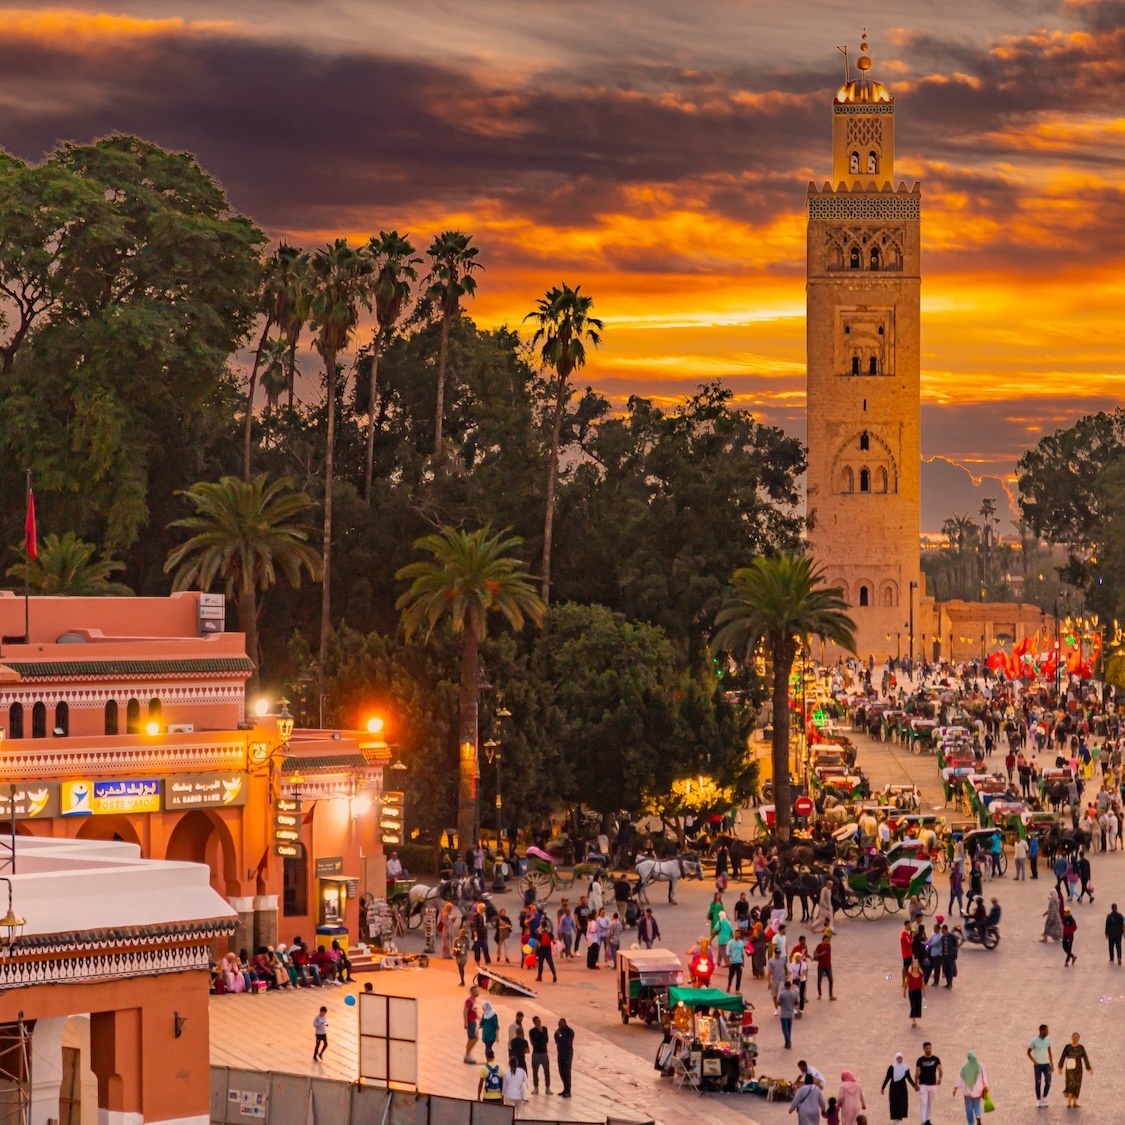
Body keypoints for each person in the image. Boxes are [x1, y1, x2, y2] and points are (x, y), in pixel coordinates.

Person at [1057, 1031, 1092, 1109]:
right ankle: (1069, 1102)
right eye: (1074, 1037)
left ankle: (1075, 1102)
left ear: (1079, 1038)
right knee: (1069, 1083)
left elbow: (1085, 1058)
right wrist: (1060, 1067)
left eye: (1077, 1037)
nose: (1075, 1038)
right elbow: (1063, 1057)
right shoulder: (1067, 1047)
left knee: (1077, 1084)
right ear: (1072, 1038)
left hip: (1078, 1069)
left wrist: (1089, 1068)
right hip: (1070, 1068)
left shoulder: (1081, 1048)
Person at [952, 1052, 988, 1125]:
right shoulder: (980, 1066)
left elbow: (960, 1078)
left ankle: (970, 1123)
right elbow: (984, 1076)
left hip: (967, 1091)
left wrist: (955, 1087)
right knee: (977, 1105)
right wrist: (985, 1086)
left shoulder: (965, 1067)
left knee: (968, 1107)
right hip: (978, 1090)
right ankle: (978, 1116)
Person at [881, 1053, 917, 1122]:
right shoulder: (892, 1067)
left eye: (901, 1058)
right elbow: (887, 1078)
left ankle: (899, 1119)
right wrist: (883, 1088)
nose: (900, 1060)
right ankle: (895, 1118)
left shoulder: (905, 1068)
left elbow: (908, 1078)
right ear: (896, 1059)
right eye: (898, 1058)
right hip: (894, 1087)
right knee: (894, 1102)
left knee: (901, 1102)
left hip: (902, 1087)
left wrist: (914, 1086)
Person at [915, 1041, 942, 1125]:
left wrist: (940, 1078)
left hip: (933, 1084)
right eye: (927, 1048)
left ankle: (928, 1119)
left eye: (930, 1048)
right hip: (923, 1084)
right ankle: (923, 1121)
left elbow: (940, 1070)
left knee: (930, 1103)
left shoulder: (936, 1059)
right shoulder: (920, 1060)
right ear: (923, 1049)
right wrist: (916, 1084)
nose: (928, 1050)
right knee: (923, 1103)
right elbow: (917, 1073)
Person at [1027, 1024, 1053, 1108]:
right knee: (1038, 1082)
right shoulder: (1034, 1041)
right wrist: (1034, 1061)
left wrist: (1052, 1064)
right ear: (1041, 1031)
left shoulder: (1048, 1040)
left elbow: (1049, 1052)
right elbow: (1028, 1053)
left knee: (1048, 1081)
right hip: (1038, 1065)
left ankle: (1044, 1097)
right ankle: (1038, 1099)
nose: (1047, 1032)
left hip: (1046, 1064)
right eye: (1046, 1031)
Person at [529, 1015, 551, 1094]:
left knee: (547, 1071)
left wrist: (541, 1032)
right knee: (535, 1071)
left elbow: (546, 1040)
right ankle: (536, 1087)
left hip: (544, 1053)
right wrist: (540, 1039)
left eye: (540, 1021)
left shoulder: (544, 1029)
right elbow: (534, 1042)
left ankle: (547, 1087)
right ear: (534, 1023)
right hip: (536, 1054)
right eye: (537, 1022)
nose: (539, 1023)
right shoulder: (532, 1031)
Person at [554, 1018, 574, 1098]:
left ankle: (568, 1090)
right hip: (560, 1053)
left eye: (561, 1024)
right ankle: (565, 1089)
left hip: (567, 1053)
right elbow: (556, 1040)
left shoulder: (570, 1032)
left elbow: (566, 1041)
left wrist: (560, 1036)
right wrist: (559, 1036)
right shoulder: (559, 1031)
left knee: (567, 1072)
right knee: (561, 1070)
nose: (560, 1025)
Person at [777, 977, 799, 1049]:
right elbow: (796, 1002)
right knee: (789, 1029)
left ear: (785, 986)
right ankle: (788, 1041)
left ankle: (788, 1041)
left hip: (783, 1014)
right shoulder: (794, 993)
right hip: (790, 1013)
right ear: (790, 986)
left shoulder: (782, 994)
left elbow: (778, 1003)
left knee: (784, 1029)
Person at [812, 932, 835, 1000]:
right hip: (821, 966)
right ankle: (820, 994)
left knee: (831, 980)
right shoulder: (819, 946)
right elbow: (815, 956)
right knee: (819, 980)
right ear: (822, 940)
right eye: (826, 940)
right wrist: (821, 954)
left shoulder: (829, 946)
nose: (827, 941)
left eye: (828, 940)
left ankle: (830, 995)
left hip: (828, 965)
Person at [904, 959, 925, 1027]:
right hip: (911, 991)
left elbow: (922, 983)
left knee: (917, 1005)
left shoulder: (920, 974)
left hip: (918, 991)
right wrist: (904, 991)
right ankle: (913, 1021)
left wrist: (924, 991)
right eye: (914, 964)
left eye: (916, 964)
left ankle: (914, 1019)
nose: (915, 965)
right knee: (913, 1006)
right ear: (912, 965)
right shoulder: (909, 974)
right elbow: (907, 983)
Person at [463, 986, 481, 1064]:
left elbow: (474, 1012)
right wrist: (466, 1022)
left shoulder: (474, 1001)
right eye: (476, 990)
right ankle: (467, 1055)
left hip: (473, 1022)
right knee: (473, 1038)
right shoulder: (469, 1001)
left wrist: (480, 1019)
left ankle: (468, 1054)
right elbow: (465, 1011)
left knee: (473, 1038)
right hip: (470, 1022)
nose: (478, 991)